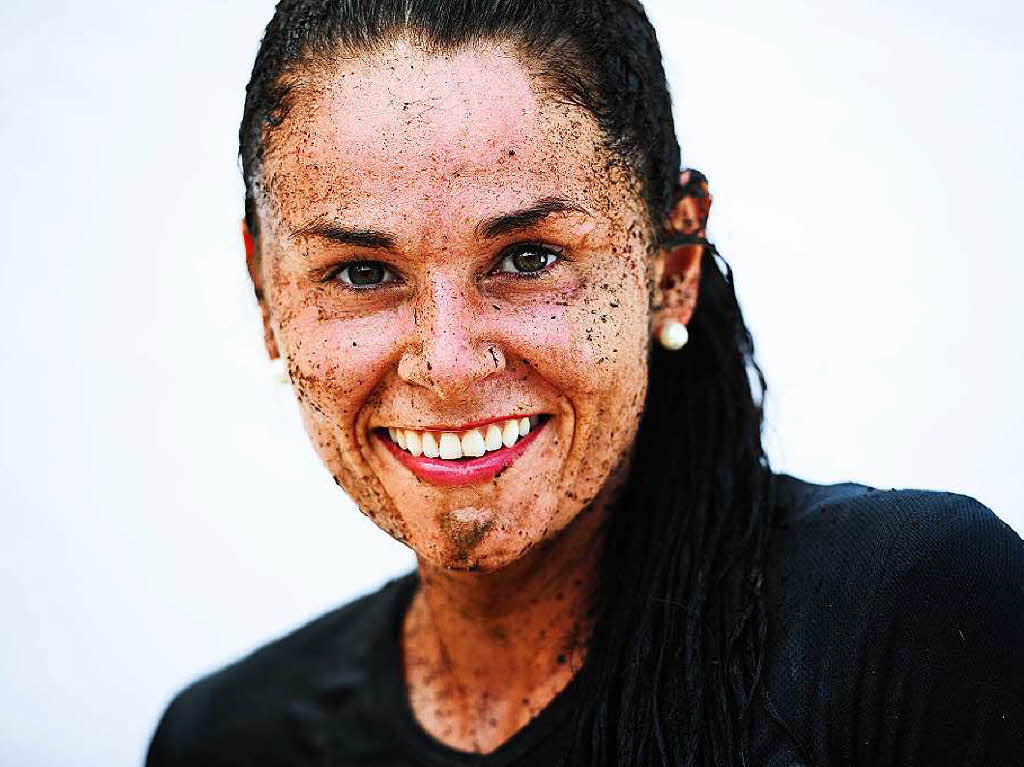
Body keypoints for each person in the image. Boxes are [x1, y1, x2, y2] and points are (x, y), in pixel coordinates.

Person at [146, 1, 1024, 765]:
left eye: (528, 259)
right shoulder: (224, 738)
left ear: (672, 261)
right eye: (363, 273)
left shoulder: (905, 624)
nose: (448, 363)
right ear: (266, 292)